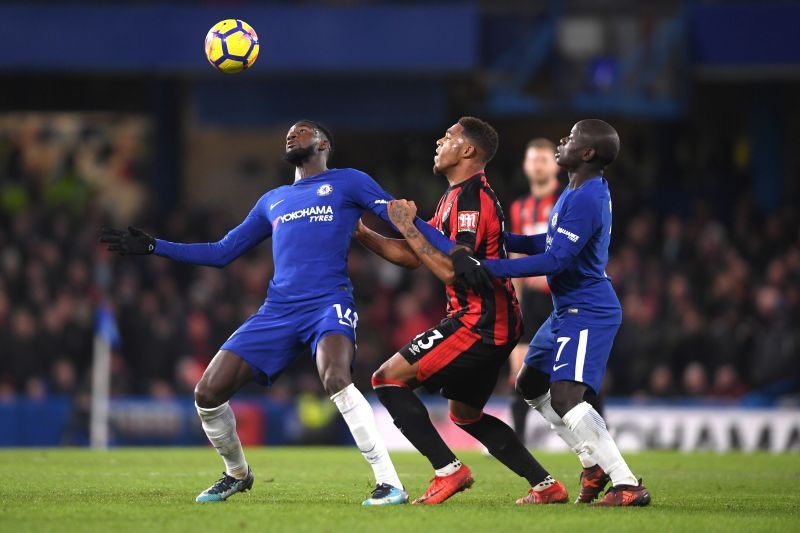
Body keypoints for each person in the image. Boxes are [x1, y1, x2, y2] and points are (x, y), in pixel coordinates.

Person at [99, 120, 452, 506]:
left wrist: (451, 250)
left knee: (335, 377)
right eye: (289, 132)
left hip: (327, 302)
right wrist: (154, 246)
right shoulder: (273, 200)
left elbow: (404, 220)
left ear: (323, 143)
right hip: (278, 310)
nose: (292, 134)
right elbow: (222, 253)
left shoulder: (349, 181)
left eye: (302, 131)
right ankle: (237, 473)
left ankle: (389, 483)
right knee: (207, 392)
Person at [354, 117, 568, 505]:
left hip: (480, 321)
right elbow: (413, 255)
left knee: (386, 379)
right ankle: (546, 486)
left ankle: (448, 471)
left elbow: (456, 269)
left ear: (468, 150)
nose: (440, 141)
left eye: (449, 137)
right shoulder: (452, 196)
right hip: (490, 319)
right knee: (466, 415)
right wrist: (365, 234)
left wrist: (410, 227)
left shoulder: (473, 200)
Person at [453, 119, 651, 506]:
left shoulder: (587, 197)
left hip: (588, 310)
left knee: (565, 396)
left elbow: (557, 259)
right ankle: (590, 464)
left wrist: (488, 267)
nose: (564, 141)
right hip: (565, 310)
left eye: (572, 138)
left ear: (588, 153)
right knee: (528, 384)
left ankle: (627, 484)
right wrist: (499, 239)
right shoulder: (576, 190)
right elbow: (549, 240)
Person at [507, 138, 562, 440]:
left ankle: (599, 428)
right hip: (529, 300)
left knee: (572, 371)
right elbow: (516, 258)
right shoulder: (520, 207)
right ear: (526, 166)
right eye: (533, 160)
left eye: (544, 159)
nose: (538, 165)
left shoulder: (565, 202)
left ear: (555, 164)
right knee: (520, 369)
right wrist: (513, 297)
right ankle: (517, 438)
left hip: (559, 296)